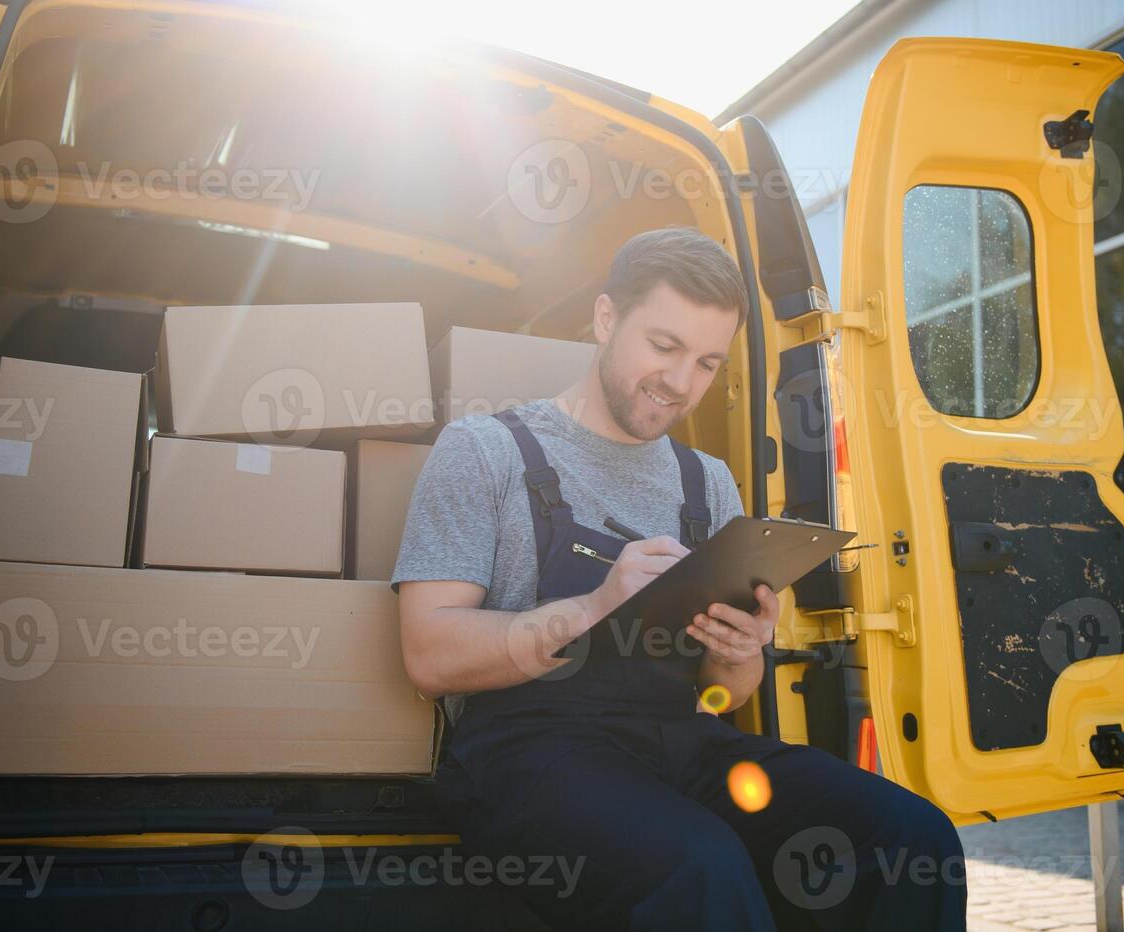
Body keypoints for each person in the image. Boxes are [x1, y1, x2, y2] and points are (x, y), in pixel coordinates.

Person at [393, 227, 967, 931]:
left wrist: (738, 653)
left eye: (705, 363)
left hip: (681, 743)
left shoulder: (708, 482)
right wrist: (594, 604)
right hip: (530, 756)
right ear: (607, 318)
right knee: (697, 866)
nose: (680, 383)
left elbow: (724, 697)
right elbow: (427, 655)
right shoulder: (485, 451)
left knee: (910, 839)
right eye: (662, 348)